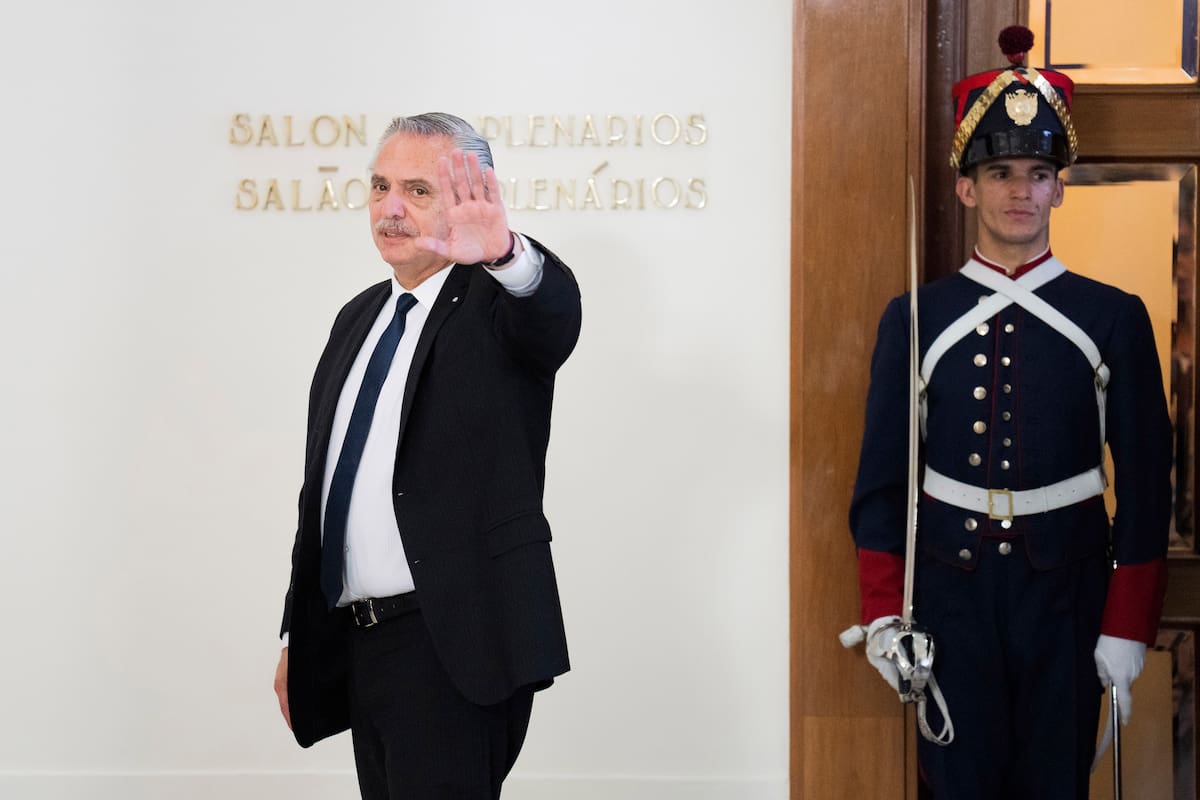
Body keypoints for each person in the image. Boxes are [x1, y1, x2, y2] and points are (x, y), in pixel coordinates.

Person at [849, 27, 1171, 799]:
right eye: (999, 173)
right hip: (950, 601)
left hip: (1068, 598)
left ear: (1059, 188)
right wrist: (885, 615)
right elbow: (882, 482)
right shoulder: (915, 317)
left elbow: (1147, 484)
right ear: (967, 188)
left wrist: (1126, 624)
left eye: (1037, 174)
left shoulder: (1113, 316)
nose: (1019, 191)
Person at [273, 112, 581, 799]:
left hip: (451, 644)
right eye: (381, 186)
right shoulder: (359, 317)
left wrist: (506, 255)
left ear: (470, 197)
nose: (391, 208)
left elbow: (552, 316)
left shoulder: (498, 304)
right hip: (359, 641)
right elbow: (326, 489)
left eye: (417, 190)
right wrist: (300, 634)